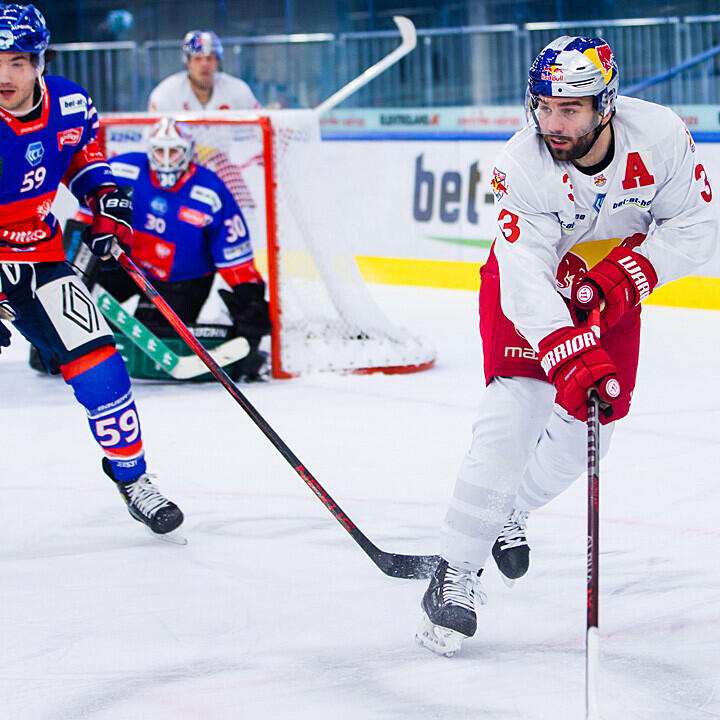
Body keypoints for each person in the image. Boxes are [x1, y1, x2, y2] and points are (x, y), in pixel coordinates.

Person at [415, 35, 718, 657]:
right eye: (544, 107)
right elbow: (523, 268)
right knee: (516, 412)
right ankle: (457, 569)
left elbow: (697, 225)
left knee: (592, 432)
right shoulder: (520, 163)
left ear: (605, 106)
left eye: (570, 109)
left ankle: (509, 511)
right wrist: (563, 348)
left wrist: (632, 273)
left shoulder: (659, 136)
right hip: (530, 286)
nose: (553, 123)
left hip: (611, 286)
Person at [0, 4, 184, 537]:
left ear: (40, 62)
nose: (5, 75)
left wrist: (105, 199)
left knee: (103, 367)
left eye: (18, 61)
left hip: (39, 255)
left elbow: (84, 159)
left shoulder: (71, 103)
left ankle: (134, 479)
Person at [80, 117, 271, 380]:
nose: (167, 159)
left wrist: (249, 298)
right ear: (150, 150)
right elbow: (83, 217)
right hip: (126, 266)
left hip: (183, 281)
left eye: (174, 151)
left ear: (189, 152)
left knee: (158, 342)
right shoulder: (123, 170)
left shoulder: (211, 190)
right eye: (160, 151)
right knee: (76, 299)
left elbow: (235, 258)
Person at [148, 30, 260, 112]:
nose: (204, 64)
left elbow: (257, 132)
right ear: (188, 62)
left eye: (210, 58)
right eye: (197, 58)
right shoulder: (166, 93)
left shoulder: (239, 91)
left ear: (218, 62)